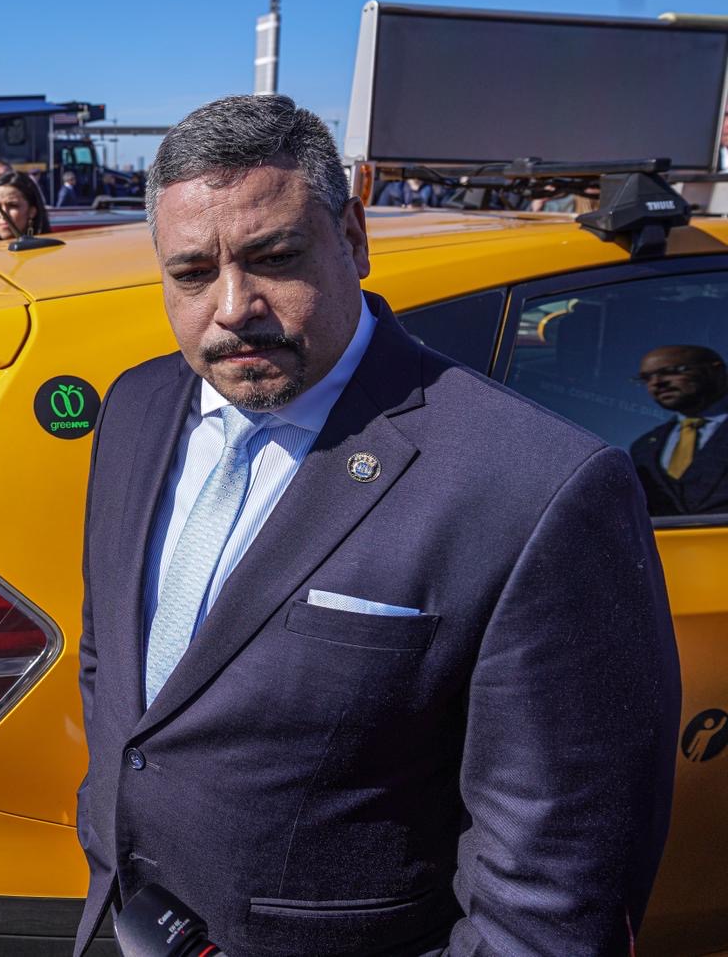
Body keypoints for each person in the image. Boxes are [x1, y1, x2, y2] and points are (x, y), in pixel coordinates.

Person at [73, 94, 679, 956]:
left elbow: (552, 896)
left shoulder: (538, 488)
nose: (234, 306)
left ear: (353, 238)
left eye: (274, 258)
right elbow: (113, 664)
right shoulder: (137, 406)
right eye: (193, 273)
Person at [629, 344, 728, 516]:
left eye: (671, 371)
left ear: (716, 370)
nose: (656, 383)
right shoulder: (643, 448)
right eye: (646, 378)